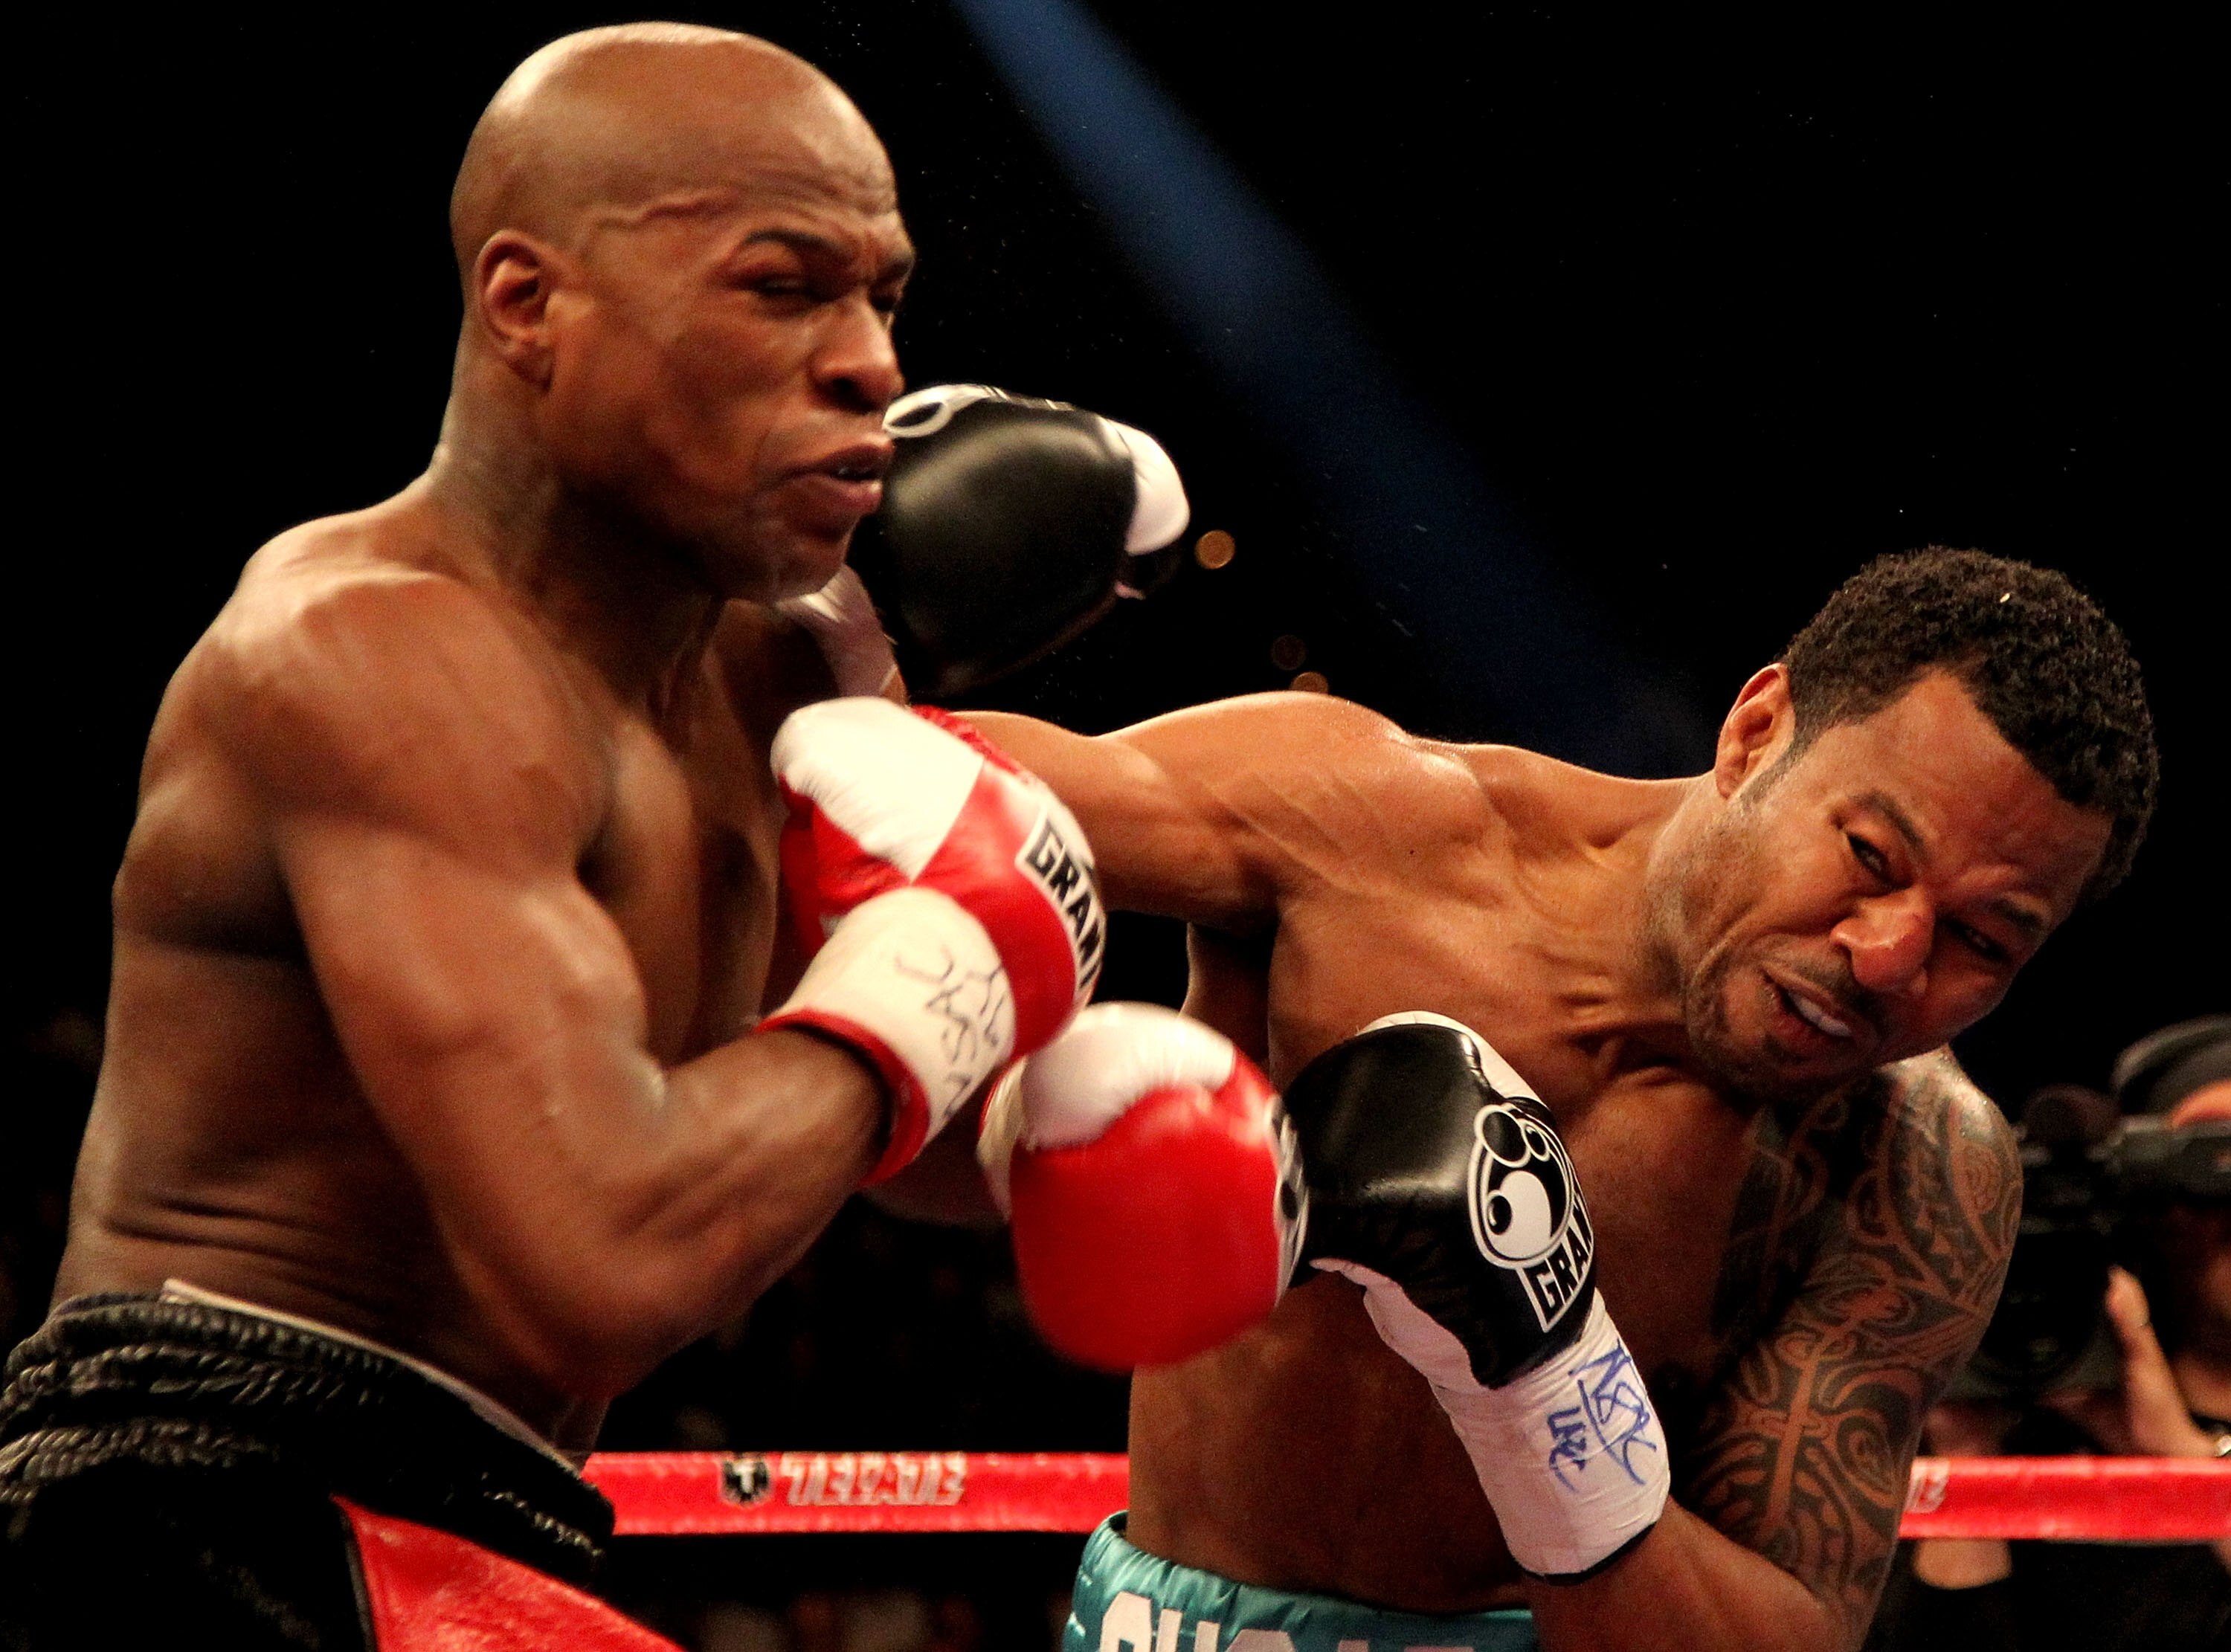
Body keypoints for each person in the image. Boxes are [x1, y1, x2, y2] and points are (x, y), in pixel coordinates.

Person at [0, 24, 1124, 1648]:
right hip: (206, 1497)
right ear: (530, 306)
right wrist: (946, 971)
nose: (874, 358)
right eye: (785, 284)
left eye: (883, 292)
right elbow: (605, 1250)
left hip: (486, 1515)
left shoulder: (779, 679)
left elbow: (885, 1140)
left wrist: (1104, 1108)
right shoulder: (371, 654)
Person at [959, 548, 2157, 1651]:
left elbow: (1783, 1637)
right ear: (1756, 733)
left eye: (1985, 941)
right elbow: (903, 808)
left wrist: (1543, 1379)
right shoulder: (1366, 835)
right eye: (1872, 856)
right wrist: (847, 617)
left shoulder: (1913, 1162)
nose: (1893, 955)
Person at [1877, 1016, 2231, 1651]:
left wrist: (2180, 1461)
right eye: (2209, 1168)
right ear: (2146, 1207)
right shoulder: (2037, 1424)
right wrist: (1968, 1460)